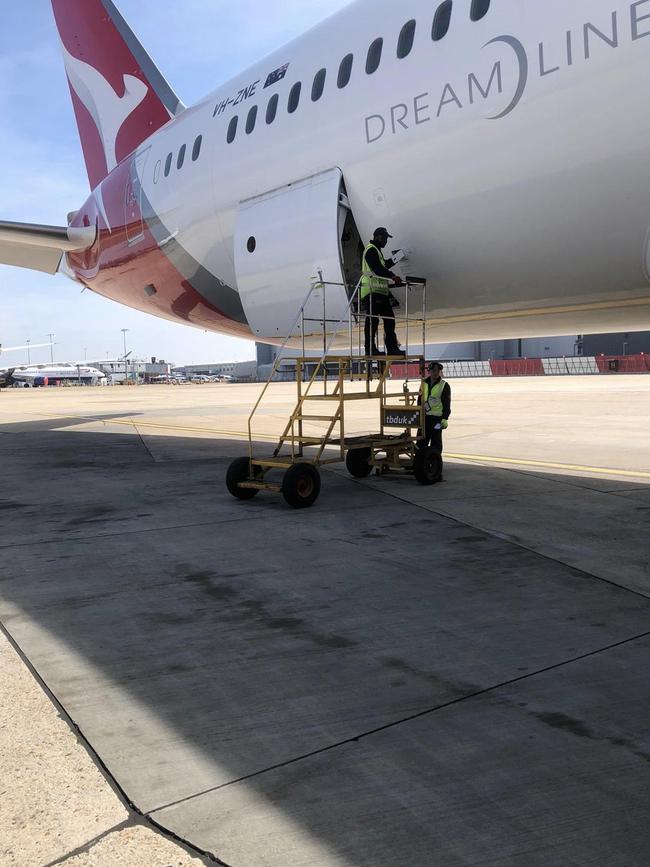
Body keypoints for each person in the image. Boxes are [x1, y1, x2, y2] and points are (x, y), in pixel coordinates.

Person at [360, 227, 406, 357]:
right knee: (372, 322)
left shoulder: (377, 251)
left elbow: (383, 265)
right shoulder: (370, 250)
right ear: (379, 237)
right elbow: (378, 269)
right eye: (385, 238)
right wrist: (393, 276)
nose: (386, 241)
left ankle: (392, 348)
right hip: (371, 291)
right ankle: (370, 349)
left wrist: (396, 258)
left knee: (389, 320)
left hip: (380, 292)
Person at [419, 361, 451, 454]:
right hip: (425, 418)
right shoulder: (423, 383)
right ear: (429, 371)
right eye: (433, 370)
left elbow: (447, 403)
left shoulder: (444, 385)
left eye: (437, 370)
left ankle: (435, 463)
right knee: (421, 441)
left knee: (436, 442)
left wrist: (445, 418)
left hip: (437, 419)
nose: (435, 372)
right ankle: (420, 461)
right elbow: (419, 400)